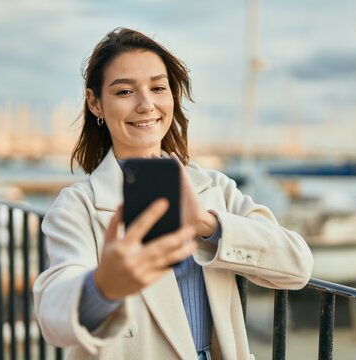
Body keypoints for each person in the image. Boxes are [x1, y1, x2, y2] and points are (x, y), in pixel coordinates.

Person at [33, 27, 313, 360]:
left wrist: (206, 224)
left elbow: (298, 265)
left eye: (158, 87)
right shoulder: (77, 207)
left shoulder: (214, 188)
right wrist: (103, 286)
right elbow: (54, 319)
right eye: (124, 91)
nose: (146, 104)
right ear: (95, 103)